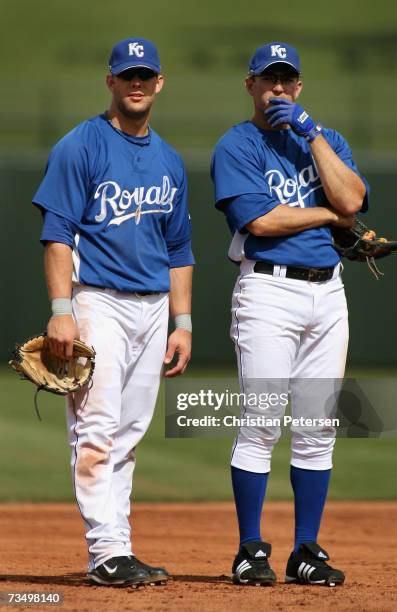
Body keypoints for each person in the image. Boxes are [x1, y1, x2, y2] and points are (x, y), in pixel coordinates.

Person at [33, 37, 194, 587]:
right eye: (127, 75)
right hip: (97, 300)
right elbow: (56, 233)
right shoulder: (80, 145)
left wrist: (183, 323)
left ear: (159, 83)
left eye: (145, 75)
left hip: (153, 310)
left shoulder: (170, 160)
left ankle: (118, 548)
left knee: (128, 432)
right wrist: (62, 311)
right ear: (110, 82)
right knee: (96, 429)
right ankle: (105, 551)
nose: (137, 83)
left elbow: (180, 252)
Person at [211, 41, 368, 586]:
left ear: (299, 87)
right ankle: (250, 549)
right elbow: (261, 222)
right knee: (260, 424)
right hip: (268, 293)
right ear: (250, 85)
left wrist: (312, 133)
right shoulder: (237, 144)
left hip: (329, 293)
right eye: (267, 79)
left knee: (317, 426)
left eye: (287, 80)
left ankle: (306, 551)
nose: (277, 89)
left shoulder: (325, 141)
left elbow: (354, 199)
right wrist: (326, 212)